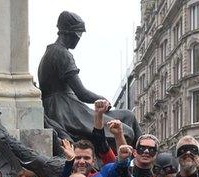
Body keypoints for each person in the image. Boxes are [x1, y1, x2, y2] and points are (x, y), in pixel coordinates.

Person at [37, 11, 141, 146]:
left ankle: (146, 150)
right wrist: (102, 100)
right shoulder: (62, 54)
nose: (79, 39)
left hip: (62, 107)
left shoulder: (50, 52)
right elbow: (82, 93)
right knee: (126, 132)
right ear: (70, 33)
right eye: (78, 35)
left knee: (129, 116)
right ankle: (124, 162)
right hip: (65, 111)